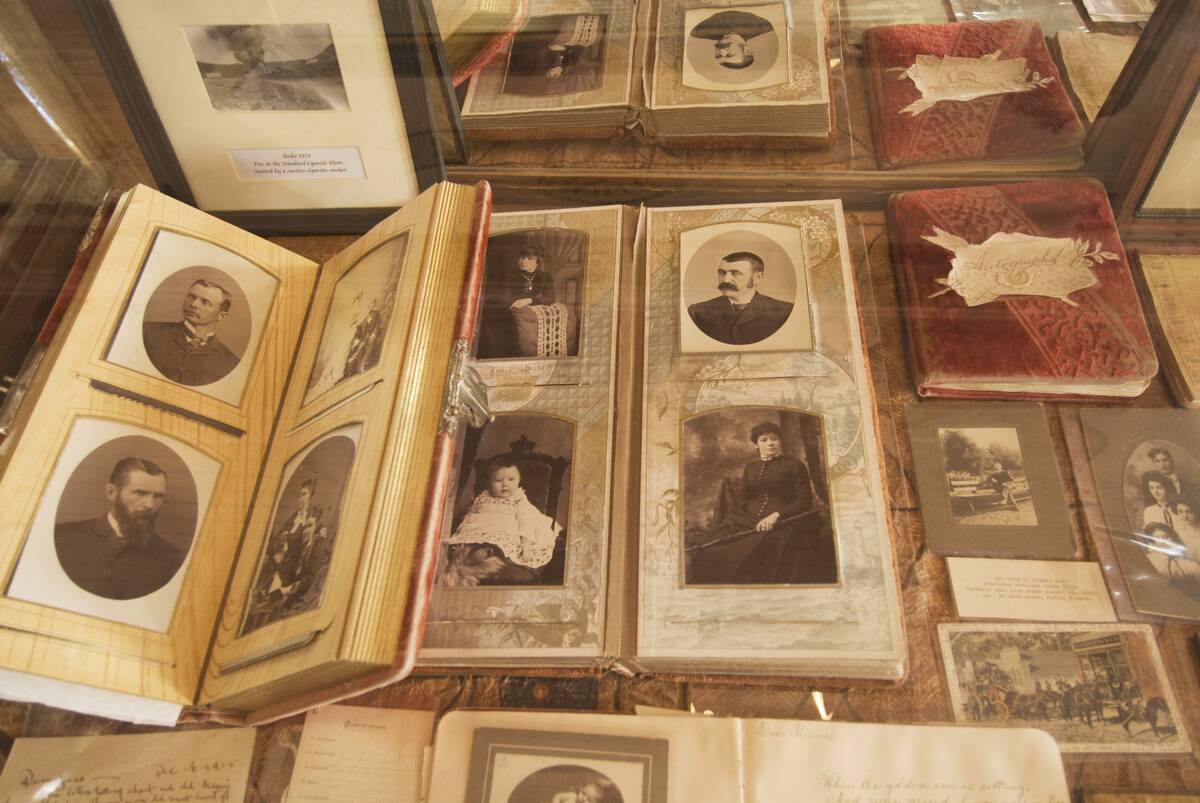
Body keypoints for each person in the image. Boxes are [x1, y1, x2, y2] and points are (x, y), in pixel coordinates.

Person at [685, 421, 834, 584]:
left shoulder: (794, 465)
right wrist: (742, 517)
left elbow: (804, 501)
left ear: (780, 441)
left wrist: (775, 516)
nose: (770, 443)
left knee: (762, 551)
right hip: (749, 519)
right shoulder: (751, 467)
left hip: (786, 520)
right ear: (756, 444)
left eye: (774, 439)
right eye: (764, 440)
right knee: (713, 547)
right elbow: (744, 498)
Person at [54, 457, 185, 600]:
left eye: (158, 496)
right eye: (140, 493)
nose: (150, 505)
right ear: (111, 492)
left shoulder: (171, 558)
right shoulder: (62, 537)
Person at [439, 456, 562, 586]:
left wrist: (526, 542)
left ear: (519, 481)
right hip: (477, 529)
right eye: (498, 480)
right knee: (461, 546)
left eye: (511, 479)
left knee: (499, 546)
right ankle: (464, 553)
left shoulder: (518, 498)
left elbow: (527, 519)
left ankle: (485, 552)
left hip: (501, 530)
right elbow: (471, 513)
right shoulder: (482, 496)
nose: (505, 484)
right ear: (489, 484)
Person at [142, 277, 240, 386]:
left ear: (221, 315)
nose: (193, 304)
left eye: (205, 302)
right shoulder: (148, 331)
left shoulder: (231, 363)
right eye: (192, 297)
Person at [686, 251, 793, 346]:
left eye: (735, 273)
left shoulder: (785, 312)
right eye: (722, 273)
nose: (726, 280)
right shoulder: (698, 312)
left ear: (757, 278)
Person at [482, 245, 558, 358]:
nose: (524, 261)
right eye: (522, 257)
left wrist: (529, 300)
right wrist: (517, 302)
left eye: (529, 258)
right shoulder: (510, 274)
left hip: (526, 306)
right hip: (505, 308)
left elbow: (550, 298)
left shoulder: (544, 276)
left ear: (538, 262)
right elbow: (505, 298)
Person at [689, 9, 774, 70]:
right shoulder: (763, 25)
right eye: (729, 54)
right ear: (747, 50)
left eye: (718, 56)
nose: (721, 51)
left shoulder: (698, 31)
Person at [343, 299, 384, 379]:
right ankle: (352, 365)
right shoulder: (366, 316)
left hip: (373, 334)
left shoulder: (377, 314)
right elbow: (361, 327)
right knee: (360, 348)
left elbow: (378, 324)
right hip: (365, 336)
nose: (372, 305)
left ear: (375, 305)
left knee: (370, 346)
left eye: (373, 304)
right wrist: (357, 337)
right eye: (370, 304)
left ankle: (363, 366)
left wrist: (374, 333)